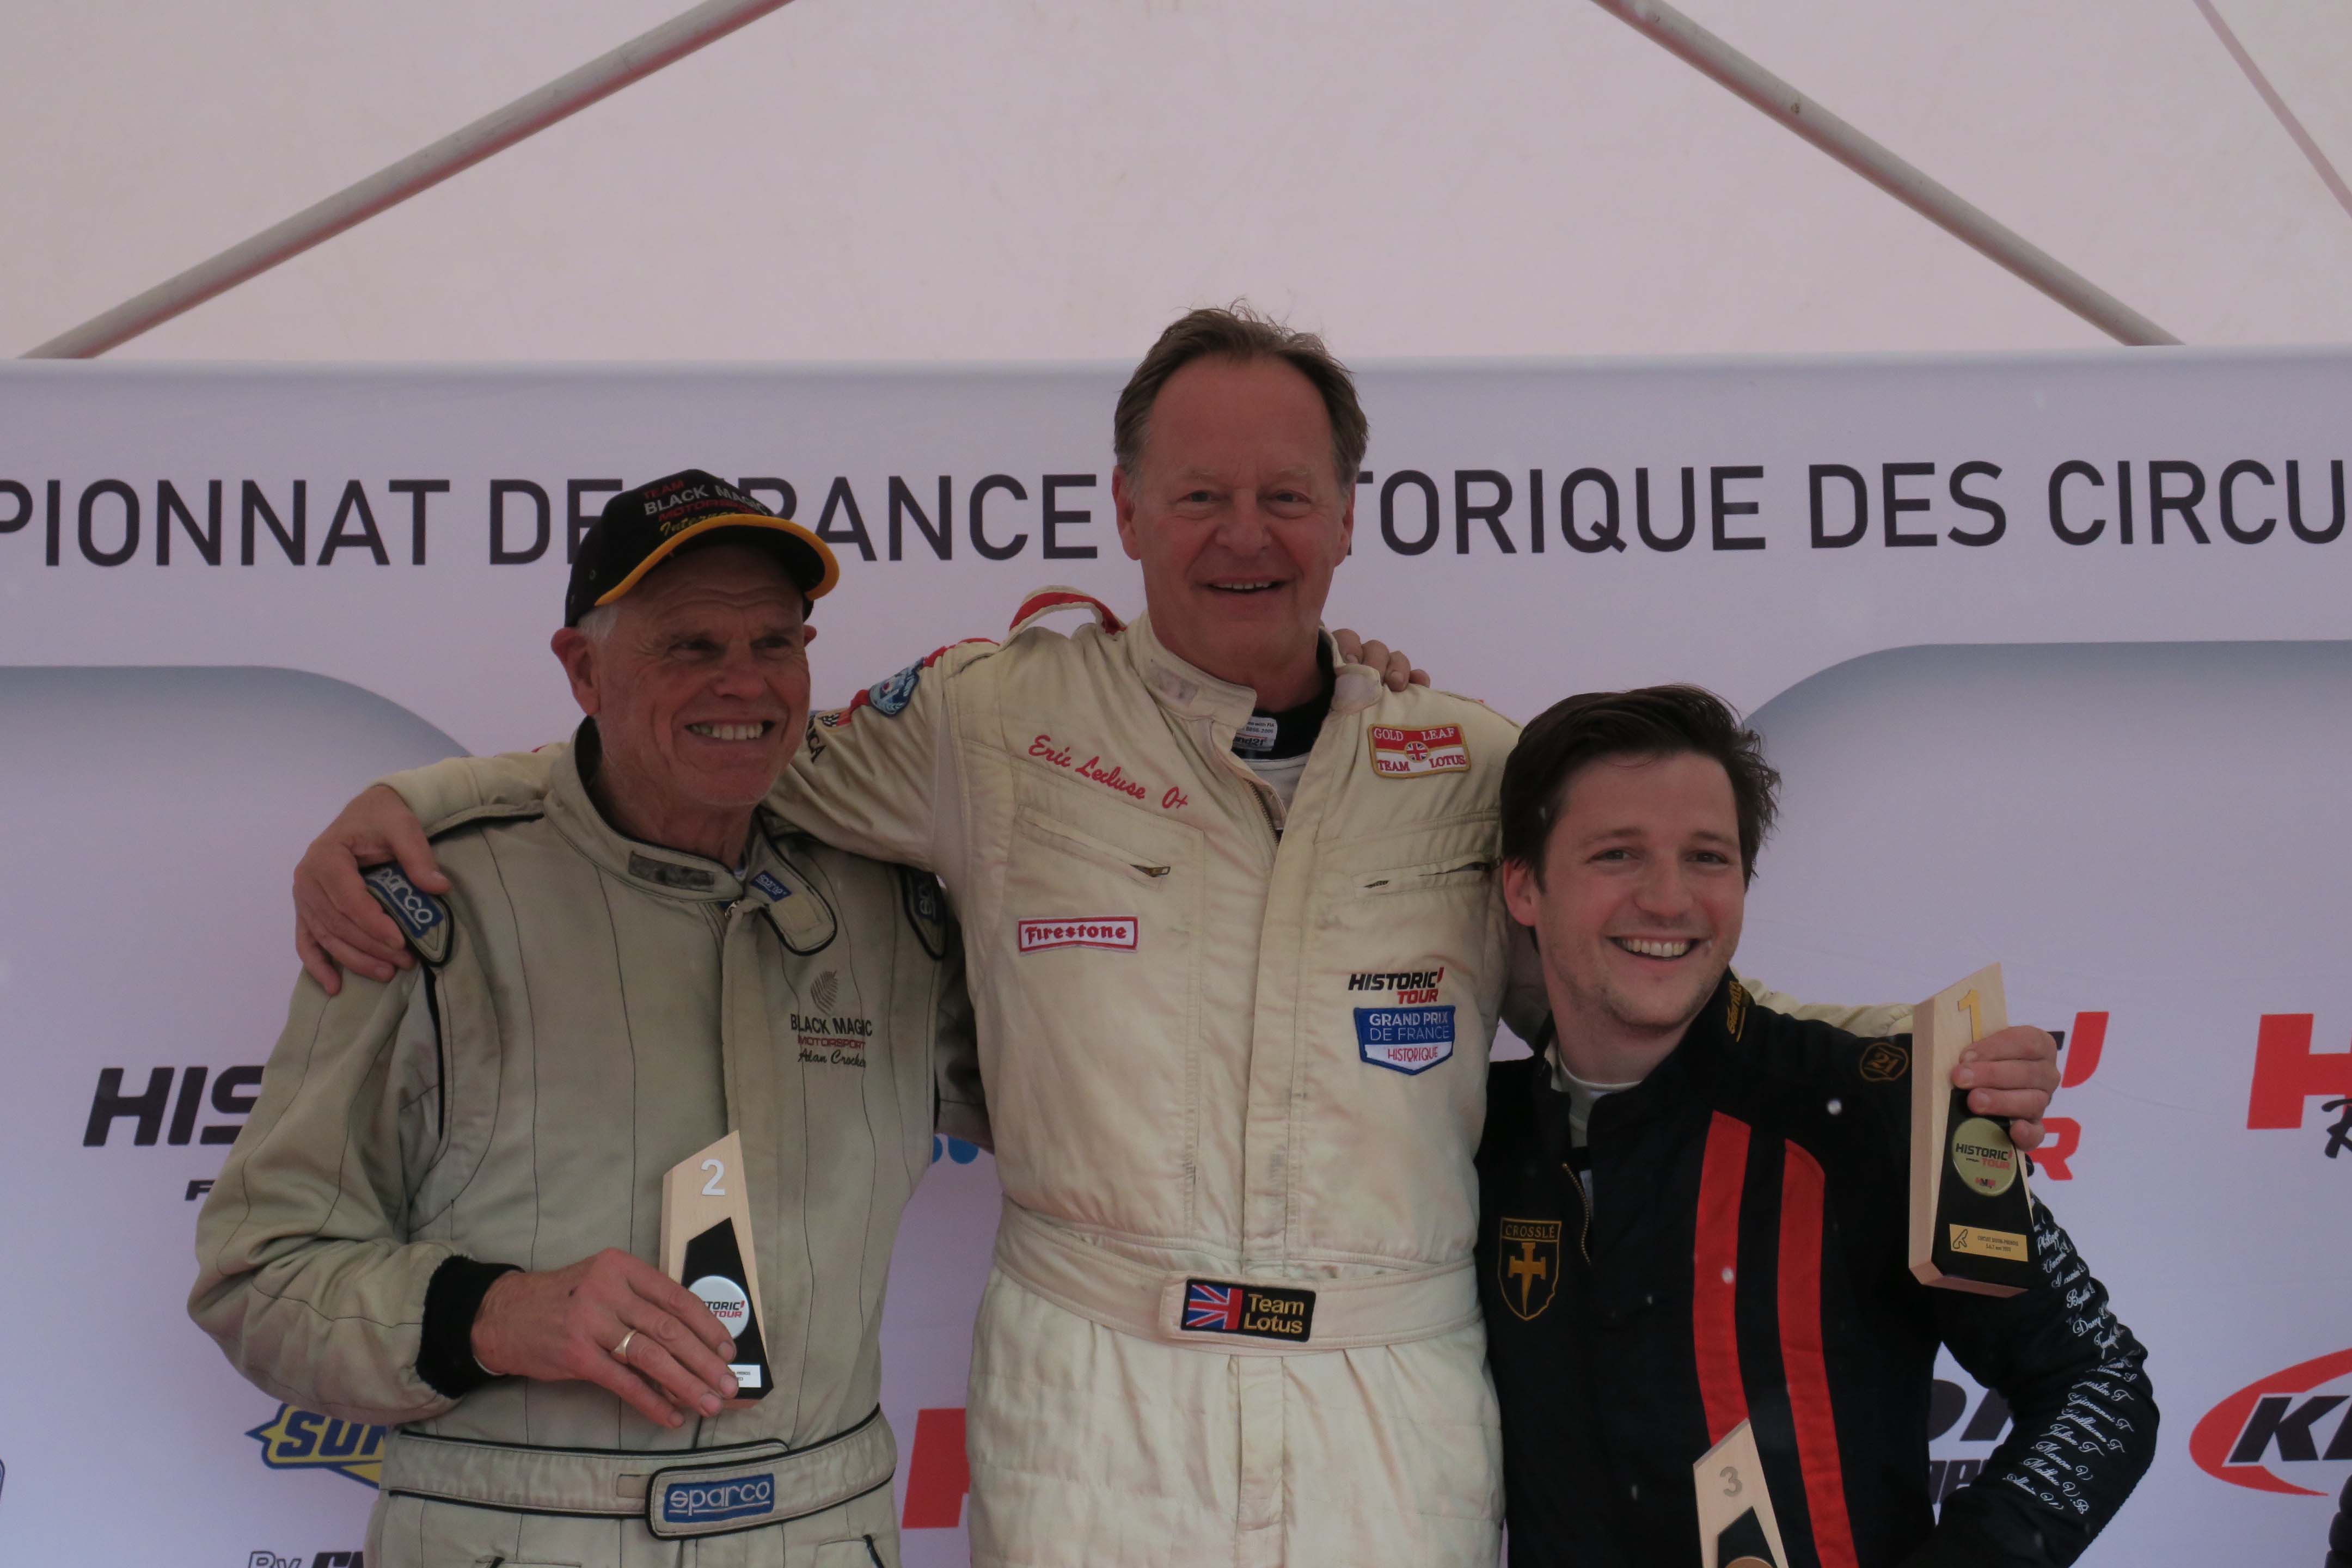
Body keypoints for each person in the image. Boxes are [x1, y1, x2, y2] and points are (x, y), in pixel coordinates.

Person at [289, 308, 2059, 1567]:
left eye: (1286, 494)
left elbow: (1642, 985)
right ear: (1123, 512)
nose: (1243, 534)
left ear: (1352, 517)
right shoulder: (987, 724)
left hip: (1392, 1400)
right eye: (1198, 494)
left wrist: (1894, 1074)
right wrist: (424, 810)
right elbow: (718, 739)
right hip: (1095, 1397)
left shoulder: (1470, 765)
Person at [192, 471, 985, 1568]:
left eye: (775, 642)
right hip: (520, 1533)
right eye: (690, 647)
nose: (744, 683)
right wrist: (495, 1314)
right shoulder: (433, 898)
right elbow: (259, 1275)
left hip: (821, 1527)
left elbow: (1081, 1102)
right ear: (582, 669)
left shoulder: (887, 897)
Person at [1475, 685, 2153, 1567]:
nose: (1670, 899)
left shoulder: (1883, 1110)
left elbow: (2099, 1386)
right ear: (1524, 886)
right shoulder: (1467, 1137)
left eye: (1708, 858)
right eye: (1616, 855)